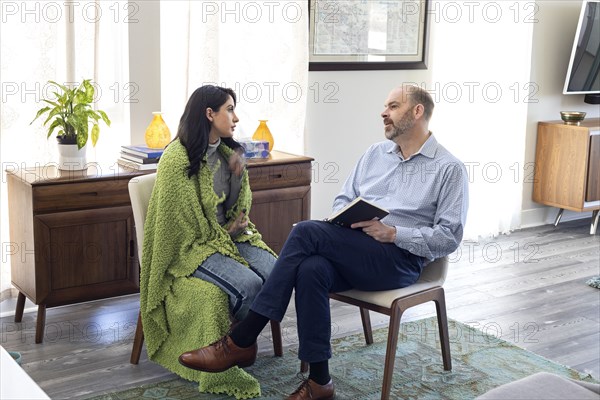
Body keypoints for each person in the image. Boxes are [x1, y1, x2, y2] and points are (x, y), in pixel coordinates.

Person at [178, 85, 469, 400]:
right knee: (312, 268)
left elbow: (449, 237)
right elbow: (344, 198)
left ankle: (243, 338)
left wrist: (395, 233)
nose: (383, 112)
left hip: (398, 260)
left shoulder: (449, 168)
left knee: (304, 232)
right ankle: (320, 382)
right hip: (356, 248)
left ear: (417, 112)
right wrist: (344, 220)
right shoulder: (374, 154)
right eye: (385, 106)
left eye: (393, 106)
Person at [140, 85, 277, 398]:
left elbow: (235, 206)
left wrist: (239, 180)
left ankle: (239, 343)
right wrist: (224, 233)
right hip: (193, 247)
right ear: (209, 113)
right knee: (249, 286)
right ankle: (239, 347)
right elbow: (180, 229)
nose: (236, 117)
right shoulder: (177, 160)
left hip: (229, 237)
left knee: (278, 273)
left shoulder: (229, 155)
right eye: (229, 109)